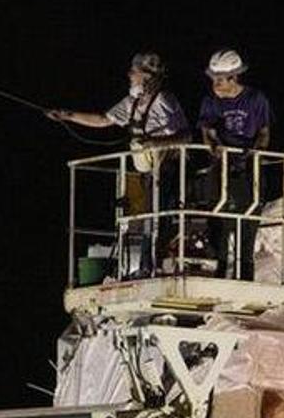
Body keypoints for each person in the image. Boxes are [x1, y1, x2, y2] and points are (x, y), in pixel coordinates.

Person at [47, 53, 190, 277]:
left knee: (157, 218)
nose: (130, 75)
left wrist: (154, 141)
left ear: (148, 76)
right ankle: (147, 264)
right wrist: (67, 116)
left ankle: (150, 265)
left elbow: (185, 136)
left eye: (135, 72)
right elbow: (104, 120)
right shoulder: (131, 102)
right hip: (147, 170)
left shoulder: (164, 100)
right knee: (147, 218)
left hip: (168, 167)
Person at [196, 49, 273, 280]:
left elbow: (264, 132)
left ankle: (245, 274)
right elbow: (206, 131)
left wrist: (255, 152)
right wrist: (214, 148)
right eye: (213, 79)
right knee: (218, 221)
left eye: (220, 80)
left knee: (247, 222)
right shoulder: (210, 101)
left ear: (234, 78)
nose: (216, 84)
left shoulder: (255, 99)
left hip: (249, 167)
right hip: (221, 166)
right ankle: (218, 272)